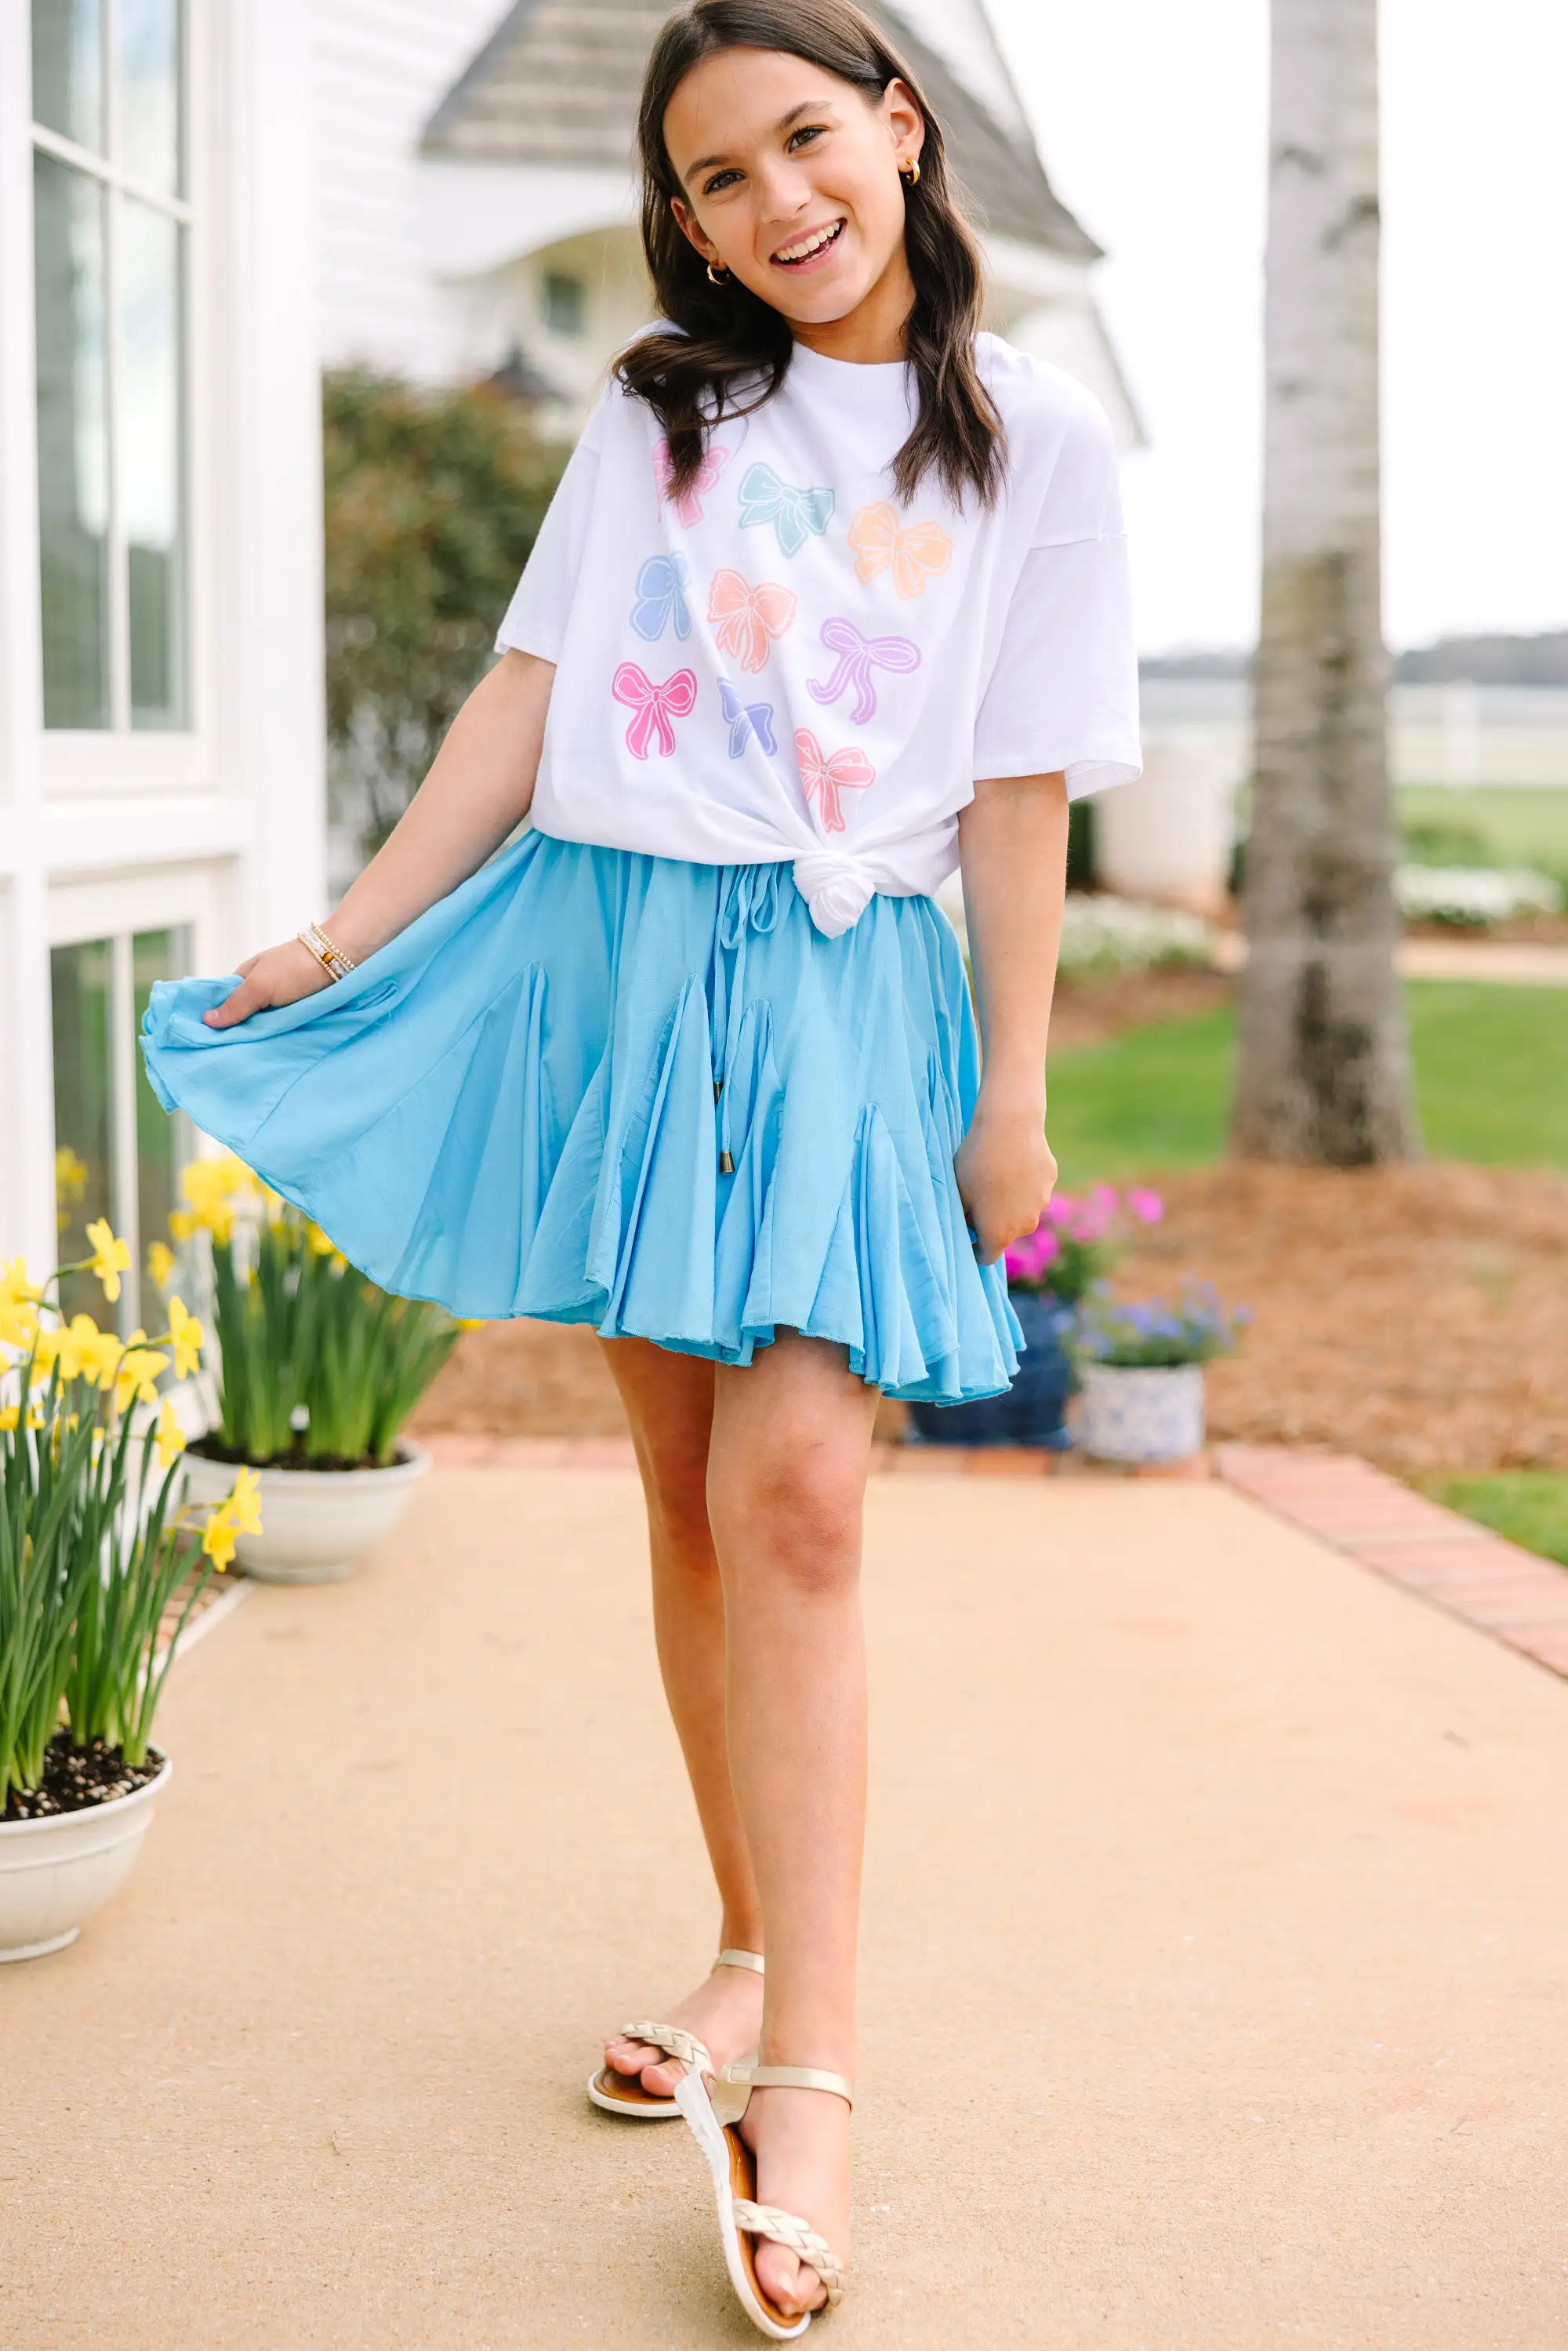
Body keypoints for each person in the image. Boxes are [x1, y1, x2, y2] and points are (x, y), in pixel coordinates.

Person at [140, 0, 1141, 2332]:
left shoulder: (1041, 441)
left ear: (898, 125)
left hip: (839, 992)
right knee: (690, 1497)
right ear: (678, 220)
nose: (774, 203)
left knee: (804, 1495)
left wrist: (1012, 1093)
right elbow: (523, 694)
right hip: (620, 970)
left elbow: (1019, 795)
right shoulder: (660, 412)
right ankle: (739, 1946)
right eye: (713, 179)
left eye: (805, 139)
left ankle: (813, 2072)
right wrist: (341, 928)